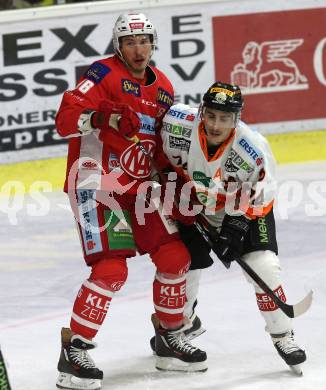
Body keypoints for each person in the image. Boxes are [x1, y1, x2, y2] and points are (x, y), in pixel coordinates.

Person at [55, 12, 207, 390]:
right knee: (111, 270)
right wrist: (101, 116)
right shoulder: (102, 74)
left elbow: (158, 151)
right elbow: (64, 120)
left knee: (176, 257)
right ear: (118, 46)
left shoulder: (164, 88)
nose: (138, 49)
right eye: (129, 42)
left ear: (153, 44)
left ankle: (169, 339)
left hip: (139, 189)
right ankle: (74, 351)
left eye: (144, 41)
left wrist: (178, 183)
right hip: (95, 185)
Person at [151, 80, 307, 374]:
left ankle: (283, 336)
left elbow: (263, 190)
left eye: (224, 118)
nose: (216, 124)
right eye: (211, 115)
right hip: (192, 205)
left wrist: (235, 227)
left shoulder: (252, 148)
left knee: (264, 266)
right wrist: (165, 185)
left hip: (241, 208)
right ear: (201, 112)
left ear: (236, 119)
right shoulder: (176, 124)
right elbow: (151, 151)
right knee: (186, 264)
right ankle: (177, 328)